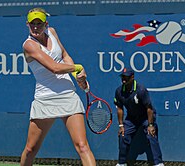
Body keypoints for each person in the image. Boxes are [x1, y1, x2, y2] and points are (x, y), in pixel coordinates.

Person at [20, 7, 96, 166]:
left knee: (82, 146)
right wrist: (78, 68)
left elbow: (65, 56)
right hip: (45, 99)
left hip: (68, 94)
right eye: (32, 24)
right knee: (30, 149)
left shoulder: (52, 32)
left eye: (39, 24)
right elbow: (54, 67)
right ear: (27, 24)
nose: (35, 27)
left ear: (46, 24)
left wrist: (77, 77)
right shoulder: (29, 46)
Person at [114, 68, 164, 166]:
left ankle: (158, 163)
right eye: (123, 77)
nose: (124, 80)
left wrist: (150, 124)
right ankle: (122, 163)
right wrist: (121, 125)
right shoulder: (119, 91)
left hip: (146, 117)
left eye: (126, 77)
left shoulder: (141, 90)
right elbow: (119, 108)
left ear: (132, 77)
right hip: (131, 118)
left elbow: (149, 109)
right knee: (123, 135)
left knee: (151, 134)